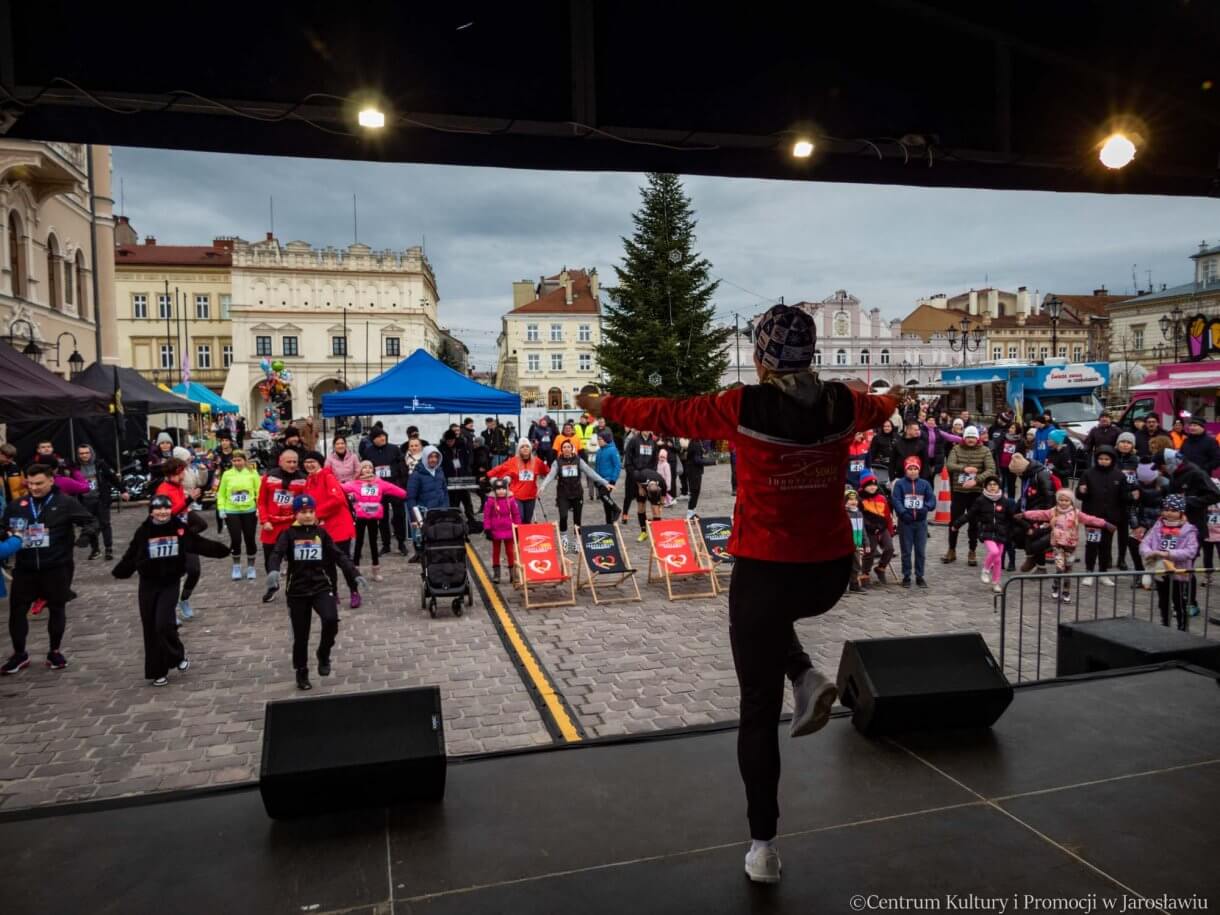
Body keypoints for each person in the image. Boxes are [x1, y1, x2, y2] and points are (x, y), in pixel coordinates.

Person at [576, 302, 898, 884]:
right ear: (811, 355)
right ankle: (803, 674)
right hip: (830, 571)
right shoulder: (844, 404)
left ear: (760, 359)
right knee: (774, 624)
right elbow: (882, 405)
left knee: (757, 710)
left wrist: (606, 406)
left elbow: (668, 413)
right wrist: (891, 395)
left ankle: (764, 846)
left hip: (767, 571)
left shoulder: (741, 405)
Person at [111, 494, 230, 686]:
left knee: (163, 623)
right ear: (151, 512)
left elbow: (197, 543)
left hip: (170, 582)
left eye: (166, 508)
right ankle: (157, 671)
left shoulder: (178, 528)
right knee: (150, 626)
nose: (162, 512)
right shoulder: (144, 531)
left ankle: (177, 655)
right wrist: (121, 571)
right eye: (158, 509)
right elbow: (132, 554)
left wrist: (222, 550)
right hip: (148, 584)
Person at [1, 463, 98, 674]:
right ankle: (19, 654)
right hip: (25, 567)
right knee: (17, 610)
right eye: (30, 484)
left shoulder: (65, 502)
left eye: (39, 483)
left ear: (51, 480)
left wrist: (85, 536)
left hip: (56, 566)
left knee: (57, 608)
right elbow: (3, 527)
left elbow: (91, 521)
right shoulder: (17, 505)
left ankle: (54, 651)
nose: (34, 488)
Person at [264, 495, 366, 691]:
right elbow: (276, 553)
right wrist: (273, 570)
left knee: (331, 619)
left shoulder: (321, 533)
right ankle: (301, 671)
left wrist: (354, 574)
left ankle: (323, 653)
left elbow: (338, 555)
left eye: (311, 511)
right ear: (296, 514)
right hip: (297, 590)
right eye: (303, 512)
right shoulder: (288, 534)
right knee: (301, 635)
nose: (308, 515)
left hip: (321, 586)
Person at [1016, 491, 1115, 603]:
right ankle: (1056, 587)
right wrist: (1025, 514)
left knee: (1068, 570)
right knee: (1060, 568)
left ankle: (1066, 592)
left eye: (1066, 500)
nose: (1063, 503)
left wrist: (1105, 524)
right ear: (1057, 500)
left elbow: (1090, 519)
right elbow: (1039, 514)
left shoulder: (1076, 513)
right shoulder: (1053, 511)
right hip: (1057, 545)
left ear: (1071, 501)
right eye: (1061, 500)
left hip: (1070, 546)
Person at [301, 451, 360, 607]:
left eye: (312, 462)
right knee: (327, 564)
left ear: (319, 463)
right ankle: (333, 592)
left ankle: (354, 591)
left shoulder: (328, 477)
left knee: (344, 562)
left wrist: (317, 514)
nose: (309, 465)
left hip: (339, 526)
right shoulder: (309, 480)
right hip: (321, 528)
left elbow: (337, 499)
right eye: (306, 462)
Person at [537, 440, 611, 553]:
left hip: (577, 493)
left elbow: (590, 472)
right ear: (561, 450)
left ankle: (577, 541)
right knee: (563, 516)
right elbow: (550, 475)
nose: (566, 449)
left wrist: (604, 482)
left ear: (572, 449)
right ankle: (564, 539)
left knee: (577, 519)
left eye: (568, 447)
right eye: (564, 447)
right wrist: (542, 486)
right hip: (563, 494)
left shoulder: (578, 460)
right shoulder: (557, 462)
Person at [154, 458, 204, 620]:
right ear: (174, 472)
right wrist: (189, 500)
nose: (184, 474)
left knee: (194, 570)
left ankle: (184, 599)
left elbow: (183, 509)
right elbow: (167, 513)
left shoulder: (179, 486)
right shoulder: (163, 490)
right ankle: (170, 610)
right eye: (182, 471)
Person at [950, 474, 1018, 594]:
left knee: (998, 560)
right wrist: (956, 524)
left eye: (995, 484)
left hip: (1001, 533)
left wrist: (1025, 526)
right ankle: (985, 570)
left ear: (999, 486)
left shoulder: (1004, 501)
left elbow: (1012, 517)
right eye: (989, 485)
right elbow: (970, 514)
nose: (992, 486)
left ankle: (996, 583)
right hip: (986, 532)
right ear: (985, 487)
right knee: (994, 552)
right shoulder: (981, 500)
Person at [1139, 493, 1198, 631]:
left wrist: (1168, 554)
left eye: (1174, 510)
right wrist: (1149, 553)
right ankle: (1165, 625)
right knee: (1163, 602)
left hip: (1178, 573)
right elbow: (1145, 543)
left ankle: (1182, 629)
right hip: (1160, 571)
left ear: (1181, 512)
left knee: (1180, 603)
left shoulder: (1189, 530)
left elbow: (1191, 551)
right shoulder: (1157, 526)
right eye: (1166, 509)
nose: (1169, 513)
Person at [343, 460, 407, 581]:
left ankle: (376, 570)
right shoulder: (355, 483)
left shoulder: (379, 482)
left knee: (373, 543)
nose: (367, 469)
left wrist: (405, 494)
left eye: (370, 467)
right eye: (364, 467)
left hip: (373, 516)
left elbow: (393, 488)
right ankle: (356, 570)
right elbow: (340, 488)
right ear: (360, 470)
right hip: (360, 517)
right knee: (358, 543)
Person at [943, 426, 996, 565]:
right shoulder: (956, 449)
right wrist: (964, 468)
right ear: (964, 438)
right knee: (954, 521)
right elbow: (949, 465)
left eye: (973, 437)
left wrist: (976, 480)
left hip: (976, 492)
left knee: (974, 523)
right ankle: (951, 549)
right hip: (959, 491)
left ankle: (972, 551)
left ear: (977, 438)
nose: (970, 440)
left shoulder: (985, 450)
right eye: (968, 437)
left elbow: (991, 469)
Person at [1076, 445, 1127, 586]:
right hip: (1092, 517)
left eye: (1106, 459)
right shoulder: (1088, 474)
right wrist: (1081, 491)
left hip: (1110, 518)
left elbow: (1123, 497)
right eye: (1101, 458)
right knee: (1092, 544)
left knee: (1106, 545)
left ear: (1112, 460)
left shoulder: (1119, 475)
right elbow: (1079, 495)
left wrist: (1132, 496)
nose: (1103, 461)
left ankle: (1103, 573)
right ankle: (1089, 572)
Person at [257, 448, 308, 573]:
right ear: (281, 462)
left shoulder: (303, 479)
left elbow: (305, 504)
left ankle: (294, 580)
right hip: (272, 525)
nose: (292, 465)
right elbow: (261, 502)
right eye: (289, 462)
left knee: (296, 560)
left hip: (293, 524)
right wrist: (264, 520)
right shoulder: (269, 477)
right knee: (270, 559)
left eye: (295, 462)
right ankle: (272, 581)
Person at [73, 444, 126, 561]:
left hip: (101, 499)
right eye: (81, 453)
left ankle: (108, 549)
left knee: (105, 524)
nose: (84, 455)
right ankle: (95, 550)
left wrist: (123, 490)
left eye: (86, 453)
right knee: (90, 525)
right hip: (85, 501)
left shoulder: (100, 464)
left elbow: (112, 478)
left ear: (91, 453)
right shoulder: (76, 468)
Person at [1010, 451, 1060, 574]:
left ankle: (1039, 565)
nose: (1018, 475)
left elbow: (1050, 496)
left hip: (1041, 512)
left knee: (1034, 537)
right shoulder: (1028, 476)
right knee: (1024, 533)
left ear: (1022, 469)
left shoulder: (1041, 475)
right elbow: (1024, 495)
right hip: (1030, 510)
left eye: (1018, 473)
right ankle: (1032, 559)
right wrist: (1014, 510)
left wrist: (1049, 516)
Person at [216, 449, 262, 581]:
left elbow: (259, 491)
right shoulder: (227, 474)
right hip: (231, 511)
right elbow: (221, 493)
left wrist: (259, 508)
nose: (237, 463)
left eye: (239, 460)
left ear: (245, 460)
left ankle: (251, 567)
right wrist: (221, 508)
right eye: (234, 460)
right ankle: (236, 566)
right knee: (235, 539)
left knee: (250, 538)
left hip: (249, 511)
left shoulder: (253, 473)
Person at [364, 428, 408, 557]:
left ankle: (401, 542)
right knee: (382, 517)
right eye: (379, 436)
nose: (382, 438)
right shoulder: (368, 451)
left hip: (393, 485)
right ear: (373, 439)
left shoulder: (394, 449)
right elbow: (365, 469)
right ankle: (386, 544)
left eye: (383, 435)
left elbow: (402, 466)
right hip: (378, 488)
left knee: (399, 515)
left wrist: (401, 483)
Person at [892, 455, 933, 587]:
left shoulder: (925, 484)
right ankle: (906, 576)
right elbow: (896, 500)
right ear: (905, 470)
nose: (913, 471)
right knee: (906, 551)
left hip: (921, 523)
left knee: (920, 551)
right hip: (906, 522)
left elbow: (931, 499)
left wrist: (926, 508)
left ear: (919, 470)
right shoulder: (900, 484)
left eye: (915, 469)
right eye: (910, 469)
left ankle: (920, 576)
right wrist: (903, 513)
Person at [406, 445, 450, 562]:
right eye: (430, 457)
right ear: (425, 457)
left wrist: (446, 508)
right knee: (421, 536)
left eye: (436, 457)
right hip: (424, 513)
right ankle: (420, 554)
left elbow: (444, 491)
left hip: (439, 511)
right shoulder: (416, 475)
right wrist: (414, 518)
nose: (433, 459)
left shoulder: (440, 472)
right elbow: (411, 498)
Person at [488, 441, 548, 524]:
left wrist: (544, 484)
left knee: (527, 520)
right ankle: (516, 532)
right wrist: (489, 475)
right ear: (519, 450)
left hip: (531, 495)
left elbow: (547, 471)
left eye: (527, 446)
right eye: (522, 447)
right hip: (516, 495)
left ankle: (524, 532)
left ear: (530, 449)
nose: (525, 448)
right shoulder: (513, 461)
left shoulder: (537, 461)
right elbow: (500, 468)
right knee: (519, 517)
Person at [1128, 463, 1166, 589]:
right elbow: (1132, 507)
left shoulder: (1165, 484)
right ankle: (1139, 572)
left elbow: (1168, 506)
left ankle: (1155, 575)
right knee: (1133, 542)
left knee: (1158, 547)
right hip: (1142, 521)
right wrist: (1135, 525)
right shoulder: (1135, 485)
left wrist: (1162, 523)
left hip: (1160, 522)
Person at [483, 477, 522, 584]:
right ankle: (497, 574)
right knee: (496, 551)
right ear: (494, 490)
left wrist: (518, 527)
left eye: (503, 489)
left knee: (510, 551)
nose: (501, 491)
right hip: (495, 530)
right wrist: (487, 528)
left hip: (508, 530)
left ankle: (512, 573)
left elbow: (516, 514)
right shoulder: (490, 501)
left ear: (506, 489)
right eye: (498, 489)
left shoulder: (511, 500)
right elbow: (487, 516)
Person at [858, 471, 894, 584]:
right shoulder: (860, 500)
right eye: (869, 485)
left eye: (874, 485)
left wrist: (890, 530)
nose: (872, 487)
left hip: (882, 529)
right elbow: (860, 517)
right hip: (868, 531)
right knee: (870, 551)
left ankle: (880, 568)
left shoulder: (882, 498)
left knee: (889, 548)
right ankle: (865, 573)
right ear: (864, 486)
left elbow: (887, 516)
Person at [622, 429, 661, 537]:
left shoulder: (653, 443)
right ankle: (643, 531)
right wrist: (637, 480)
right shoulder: (633, 441)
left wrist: (652, 476)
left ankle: (658, 533)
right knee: (641, 505)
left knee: (655, 505)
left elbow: (655, 461)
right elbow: (628, 462)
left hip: (650, 478)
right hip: (636, 478)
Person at [1112, 433, 1141, 571]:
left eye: (1128, 443)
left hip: (1128, 500)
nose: (1125, 445)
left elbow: (1140, 479)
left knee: (1123, 532)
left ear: (1132, 446)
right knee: (1108, 530)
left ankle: (1121, 559)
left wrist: (1137, 491)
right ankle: (1107, 557)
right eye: (1122, 441)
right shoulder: (1111, 457)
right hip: (1112, 499)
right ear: (1117, 444)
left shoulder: (1136, 460)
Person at [439, 429, 477, 526]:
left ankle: (471, 518)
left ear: (455, 439)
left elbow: (467, 459)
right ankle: (454, 519)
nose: (450, 443)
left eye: (451, 441)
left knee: (466, 499)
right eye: (448, 441)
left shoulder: (461, 445)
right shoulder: (442, 448)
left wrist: (466, 470)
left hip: (462, 476)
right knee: (453, 500)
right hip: (449, 477)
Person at [889, 419, 929, 483]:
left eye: (918, 430)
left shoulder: (921, 444)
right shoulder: (898, 444)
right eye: (915, 430)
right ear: (908, 430)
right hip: (899, 477)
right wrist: (892, 478)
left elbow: (925, 463)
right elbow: (892, 462)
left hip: (917, 479)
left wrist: (923, 479)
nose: (918, 432)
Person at [845, 488, 866, 592]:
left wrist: (866, 543)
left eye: (855, 499)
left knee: (856, 565)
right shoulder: (844, 514)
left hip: (857, 544)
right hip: (847, 545)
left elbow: (863, 530)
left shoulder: (859, 513)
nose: (853, 502)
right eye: (850, 499)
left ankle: (854, 584)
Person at [683, 437, 708, 520]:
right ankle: (689, 512)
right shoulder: (695, 443)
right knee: (694, 491)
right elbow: (697, 460)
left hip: (695, 471)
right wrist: (712, 461)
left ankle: (693, 511)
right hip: (693, 471)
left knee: (696, 491)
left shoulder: (697, 442)